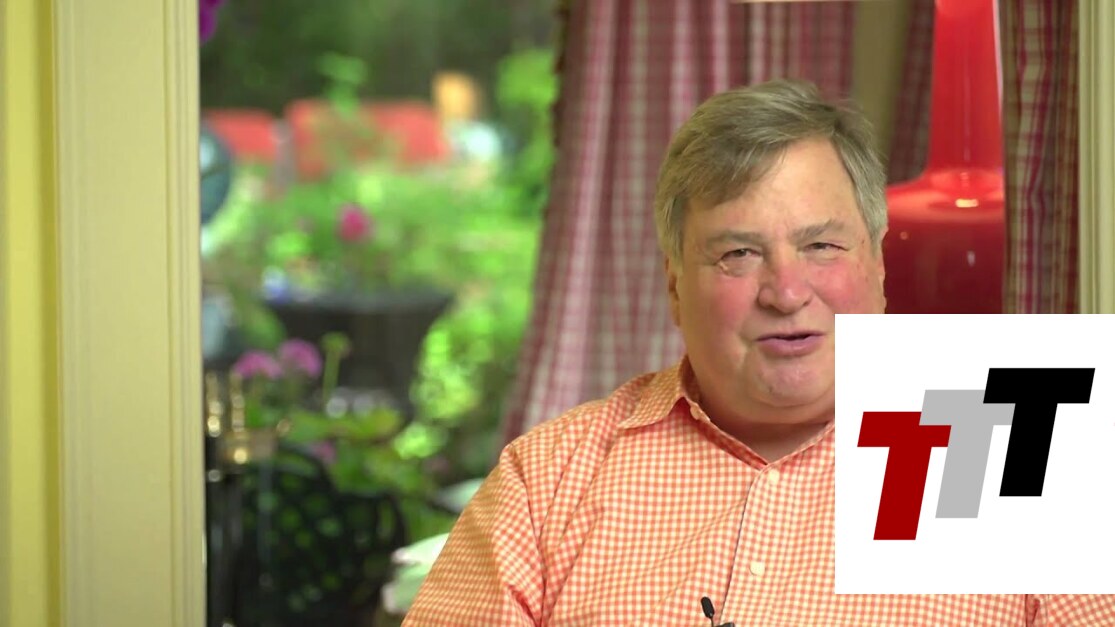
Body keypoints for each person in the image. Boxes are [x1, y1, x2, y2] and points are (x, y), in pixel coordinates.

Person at [402, 79, 1115, 625]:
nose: (786, 291)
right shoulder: (547, 479)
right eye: (738, 254)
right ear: (674, 286)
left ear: (877, 264)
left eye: (821, 245)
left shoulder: (1022, 433)